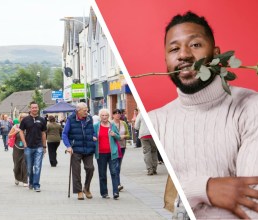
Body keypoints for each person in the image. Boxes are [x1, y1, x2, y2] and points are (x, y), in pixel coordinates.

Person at [148, 11, 258, 219]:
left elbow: (252, 202)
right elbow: (170, 202)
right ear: (166, 60)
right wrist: (203, 188)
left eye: (195, 45)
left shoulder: (250, 107)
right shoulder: (157, 121)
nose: (184, 55)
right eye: (174, 49)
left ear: (216, 54)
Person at [62, 102, 96, 200]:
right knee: (76, 171)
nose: (86, 112)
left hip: (88, 147)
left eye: (87, 110)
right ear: (78, 111)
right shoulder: (71, 119)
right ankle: (79, 191)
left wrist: (94, 136)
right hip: (75, 148)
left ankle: (86, 188)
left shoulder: (89, 119)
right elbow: (64, 134)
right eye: (84, 110)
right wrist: (68, 146)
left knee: (90, 168)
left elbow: (92, 131)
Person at [19, 101, 47, 192]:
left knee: (37, 166)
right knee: (29, 168)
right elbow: (21, 131)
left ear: (38, 108)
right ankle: (31, 182)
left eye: (36, 107)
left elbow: (43, 133)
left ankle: (36, 185)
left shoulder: (42, 120)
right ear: (30, 109)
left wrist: (44, 146)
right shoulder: (25, 120)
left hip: (39, 146)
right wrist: (24, 143)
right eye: (33, 107)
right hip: (28, 147)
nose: (34, 109)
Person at [94, 108, 121, 199]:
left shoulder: (112, 125)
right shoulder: (96, 126)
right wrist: (93, 138)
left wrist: (114, 135)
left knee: (114, 172)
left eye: (106, 115)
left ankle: (115, 192)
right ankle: (104, 193)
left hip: (112, 153)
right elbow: (92, 136)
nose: (104, 117)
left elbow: (119, 137)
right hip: (100, 153)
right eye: (102, 115)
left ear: (109, 116)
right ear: (100, 116)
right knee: (102, 174)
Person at [111, 108, 130, 191]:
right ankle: (117, 184)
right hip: (114, 147)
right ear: (113, 115)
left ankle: (117, 183)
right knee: (116, 166)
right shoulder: (110, 124)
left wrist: (123, 136)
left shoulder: (123, 123)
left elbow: (128, 134)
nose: (118, 114)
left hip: (122, 147)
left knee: (119, 165)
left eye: (119, 113)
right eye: (116, 113)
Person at [8, 114, 28, 187]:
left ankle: (25, 180)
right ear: (19, 118)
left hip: (26, 148)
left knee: (24, 164)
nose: (23, 119)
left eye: (24, 118)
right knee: (17, 165)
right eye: (22, 117)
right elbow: (9, 135)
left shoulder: (28, 126)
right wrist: (16, 132)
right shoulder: (16, 126)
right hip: (17, 148)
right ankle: (17, 177)